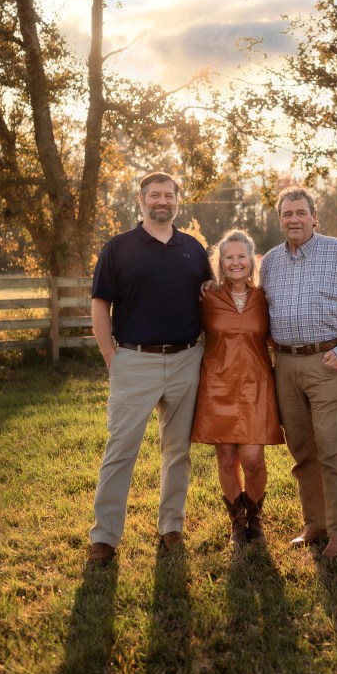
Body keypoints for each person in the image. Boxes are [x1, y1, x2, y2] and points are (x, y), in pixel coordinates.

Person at [86, 171, 212, 566]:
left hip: (186, 359)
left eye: (169, 195)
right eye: (155, 195)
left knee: (178, 451)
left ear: (177, 201)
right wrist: (112, 357)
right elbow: (99, 305)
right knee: (120, 450)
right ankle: (104, 537)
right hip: (134, 360)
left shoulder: (194, 249)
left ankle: (171, 527)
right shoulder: (118, 248)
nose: (162, 201)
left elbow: (209, 299)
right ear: (140, 200)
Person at [259, 186, 337, 559]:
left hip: (327, 362)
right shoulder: (270, 262)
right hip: (285, 363)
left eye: (300, 213)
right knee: (301, 447)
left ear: (314, 217)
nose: (294, 219)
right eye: (287, 214)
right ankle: (314, 524)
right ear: (280, 219)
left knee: (329, 444)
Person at [191, 229, 284, 549]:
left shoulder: (264, 297)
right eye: (228, 257)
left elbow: (278, 335)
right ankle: (237, 521)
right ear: (219, 262)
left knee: (253, 458)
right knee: (227, 457)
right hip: (217, 385)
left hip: (257, 386)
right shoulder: (208, 297)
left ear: (251, 260)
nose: (235, 262)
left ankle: (255, 515)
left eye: (241, 256)